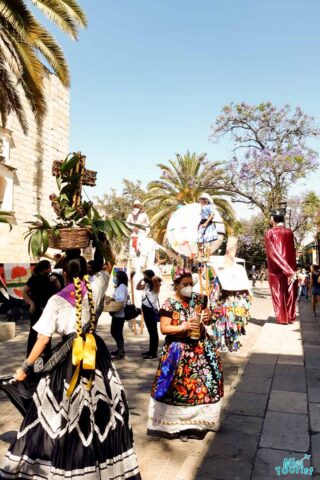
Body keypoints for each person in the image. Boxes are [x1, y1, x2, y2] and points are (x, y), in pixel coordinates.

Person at [0, 256, 141, 480]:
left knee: (60, 409)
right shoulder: (98, 285)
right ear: (87, 271)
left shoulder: (57, 301)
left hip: (69, 360)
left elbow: (43, 340)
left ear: (64, 274)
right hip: (97, 356)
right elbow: (107, 266)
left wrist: (25, 368)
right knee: (103, 406)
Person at [147, 268, 223, 441]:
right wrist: (184, 327)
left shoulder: (200, 299)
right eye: (185, 284)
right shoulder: (168, 304)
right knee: (180, 390)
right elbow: (164, 328)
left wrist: (208, 317)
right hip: (178, 353)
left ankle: (198, 425)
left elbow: (209, 319)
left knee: (203, 387)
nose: (189, 287)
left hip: (201, 351)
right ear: (176, 285)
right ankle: (180, 426)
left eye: (191, 284)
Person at [265, 209, 297, 324]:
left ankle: (283, 318)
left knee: (278, 294)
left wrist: (286, 269)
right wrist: (291, 270)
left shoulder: (270, 233)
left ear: (273, 218)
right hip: (290, 267)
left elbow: (272, 252)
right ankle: (291, 317)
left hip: (276, 269)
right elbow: (293, 251)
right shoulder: (289, 232)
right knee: (290, 293)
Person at [22, 260, 61, 358]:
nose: (50, 270)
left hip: (48, 309)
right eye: (48, 268)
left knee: (47, 332)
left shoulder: (52, 278)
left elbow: (59, 289)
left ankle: (46, 354)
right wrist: (31, 304)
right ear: (43, 269)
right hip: (37, 309)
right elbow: (24, 292)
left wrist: (55, 280)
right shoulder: (34, 279)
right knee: (34, 332)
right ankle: (30, 354)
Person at [136, 269, 161, 360]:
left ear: (150, 277)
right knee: (150, 332)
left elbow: (155, 280)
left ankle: (153, 353)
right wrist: (142, 280)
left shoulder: (155, 286)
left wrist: (152, 278)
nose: (144, 277)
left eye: (146, 276)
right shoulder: (147, 285)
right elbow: (137, 287)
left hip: (151, 310)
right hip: (145, 308)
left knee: (153, 332)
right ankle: (150, 350)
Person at [110, 270, 129, 360]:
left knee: (116, 332)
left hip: (119, 314)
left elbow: (120, 299)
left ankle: (120, 351)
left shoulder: (122, 287)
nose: (115, 278)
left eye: (116, 276)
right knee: (115, 332)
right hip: (116, 314)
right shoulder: (120, 286)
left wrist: (113, 299)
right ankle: (119, 349)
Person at [197, 193, 218, 258]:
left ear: (205, 200)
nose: (200, 201)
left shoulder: (209, 206)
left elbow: (212, 215)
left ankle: (207, 257)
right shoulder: (202, 207)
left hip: (207, 224)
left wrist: (206, 223)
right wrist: (199, 225)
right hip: (202, 223)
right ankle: (200, 256)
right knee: (199, 240)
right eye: (200, 199)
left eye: (201, 199)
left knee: (207, 240)